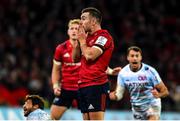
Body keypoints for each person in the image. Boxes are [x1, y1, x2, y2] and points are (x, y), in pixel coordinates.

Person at [50, 18, 120, 120]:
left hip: (83, 86)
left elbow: (96, 64)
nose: (74, 31)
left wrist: (110, 71)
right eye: (72, 28)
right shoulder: (61, 48)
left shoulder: (87, 45)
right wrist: (56, 85)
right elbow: (56, 70)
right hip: (66, 88)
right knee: (53, 117)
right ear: (68, 31)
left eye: (77, 28)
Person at [72, 7, 115, 120]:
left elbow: (90, 56)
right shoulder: (86, 38)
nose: (80, 22)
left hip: (96, 85)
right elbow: (75, 59)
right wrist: (78, 41)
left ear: (93, 21)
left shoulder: (104, 36)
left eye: (84, 18)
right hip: (83, 85)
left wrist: (82, 41)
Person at [109, 46, 169, 120]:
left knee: (152, 117)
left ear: (141, 58)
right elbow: (119, 95)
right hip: (137, 108)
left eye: (137, 56)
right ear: (128, 58)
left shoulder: (150, 71)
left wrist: (159, 95)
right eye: (132, 56)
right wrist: (108, 94)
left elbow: (165, 91)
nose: (135, 58)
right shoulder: (123, 73)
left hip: (152, 105)